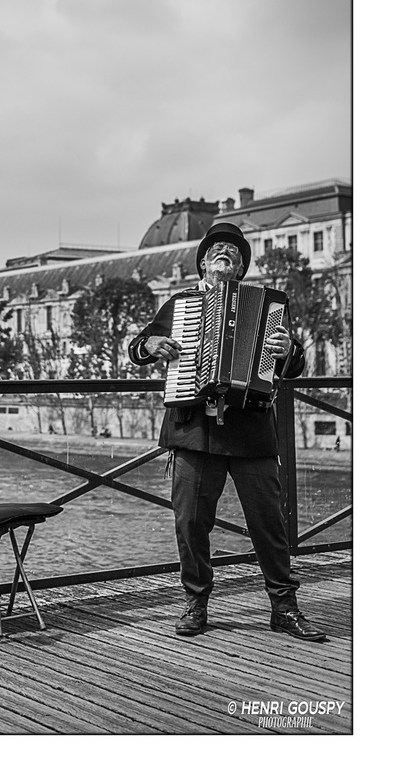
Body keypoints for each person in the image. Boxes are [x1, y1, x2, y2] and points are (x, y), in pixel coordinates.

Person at [128, 222, 326, 642]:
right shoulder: (180, 304)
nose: (226, 254)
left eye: (235, 253)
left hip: (252, 430)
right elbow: (139, 346)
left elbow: (292, 364)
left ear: (240, 268)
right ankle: (196, 603)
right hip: (194, 431)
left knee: (269, 524)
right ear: (202, 261)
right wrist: (149, 347)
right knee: (192, 522)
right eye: (217, 249)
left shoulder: (268, 305)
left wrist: (288, 352)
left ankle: (284, 608)